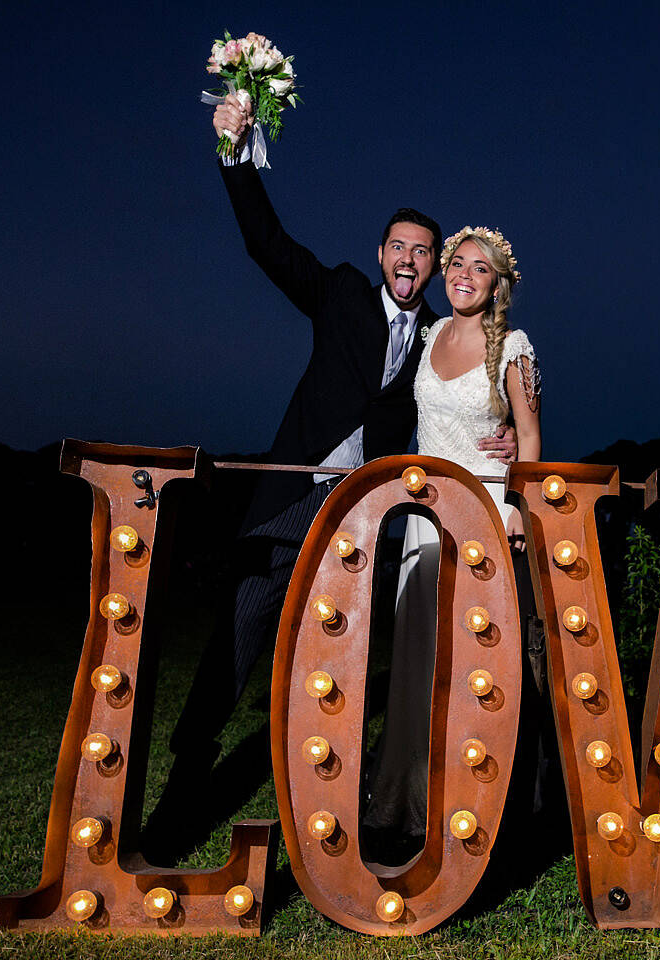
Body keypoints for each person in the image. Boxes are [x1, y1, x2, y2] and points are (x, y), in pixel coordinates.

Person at [148, 95, 517, 860]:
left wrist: (505, 428)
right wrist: (235, 154)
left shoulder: (439, 342)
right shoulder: (340, 292)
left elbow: (468, 394)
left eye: (424, 251)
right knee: (236, 647)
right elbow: (266, 243)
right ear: (380, 254)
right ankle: (177, 806)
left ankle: (329, 828)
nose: (410, 261)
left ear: (434, 262)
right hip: (289, 507)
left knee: (334, 670)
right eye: (399, 248)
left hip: (360, 526)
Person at [360, 226, 545, 860]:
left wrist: (517, 497)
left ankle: (478, 801)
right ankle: (407, 800)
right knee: (416, 660)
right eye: (457, 264)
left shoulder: (513, 348)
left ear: (498, 285)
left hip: (483, 515)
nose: (465, 274)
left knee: (476, 662)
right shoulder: (432, 334)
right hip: (422, 518)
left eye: (481, 269)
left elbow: (531, 437)